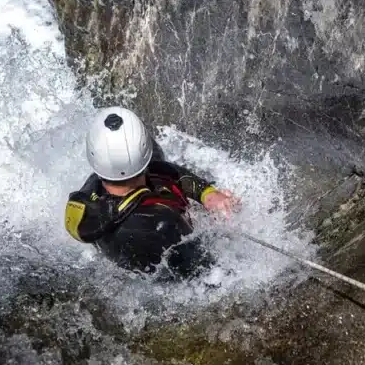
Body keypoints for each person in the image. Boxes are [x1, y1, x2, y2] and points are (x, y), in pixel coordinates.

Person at [65, 106, 240, 275]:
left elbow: (165, 170)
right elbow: (208, 267)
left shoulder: (92, 190)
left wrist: (207, 194)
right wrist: (218, 225)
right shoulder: (161, 223)